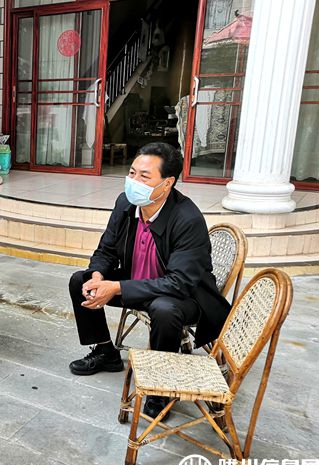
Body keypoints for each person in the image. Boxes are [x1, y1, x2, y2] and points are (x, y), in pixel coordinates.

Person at [68, 143, 231, 419]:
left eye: (144, 177)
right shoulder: (126, 203)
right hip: (138, 282)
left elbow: (179, 283)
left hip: (186, 296)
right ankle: (106, 352)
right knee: (79, 281)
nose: (134, 182)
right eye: (132, 173)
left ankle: (160, 388)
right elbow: (106, 250)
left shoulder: (187, 218)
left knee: (164, 309)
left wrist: (116, 287)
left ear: (167, 183)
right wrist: (98, 276)